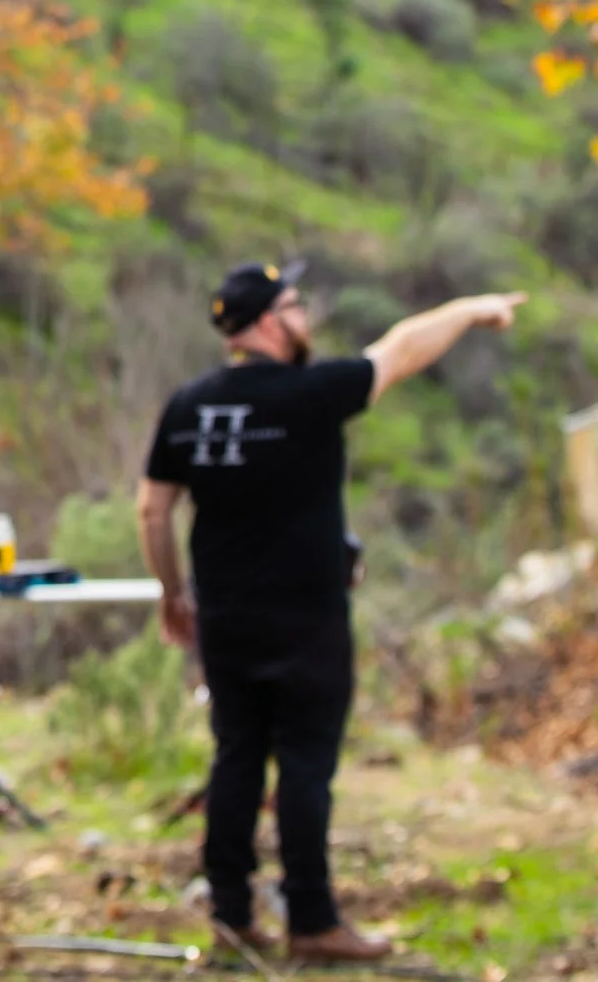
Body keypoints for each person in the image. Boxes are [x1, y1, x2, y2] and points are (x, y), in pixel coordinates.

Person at [139, 261, 524, 965]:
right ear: (264, 322)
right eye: (294, 305)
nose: (305, 317)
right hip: (307, 619)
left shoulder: (187, 404)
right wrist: (471, 307)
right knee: (306, 765)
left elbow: (153, 507)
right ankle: (312, 921)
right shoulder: (312, 391)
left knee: (237, 755)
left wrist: (172, 592)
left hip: (224, 619)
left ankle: (231, 912)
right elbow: (403, 347)